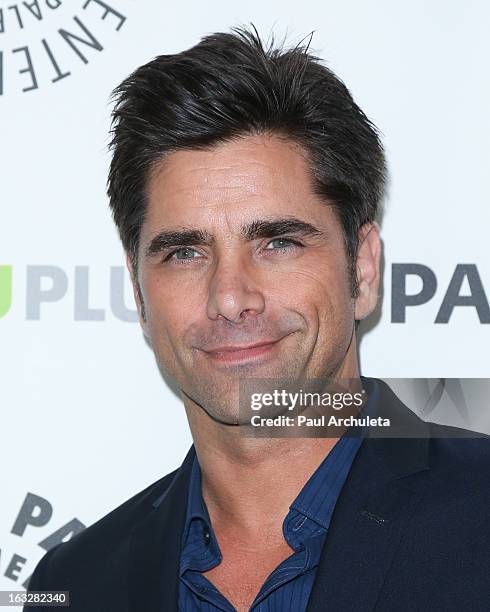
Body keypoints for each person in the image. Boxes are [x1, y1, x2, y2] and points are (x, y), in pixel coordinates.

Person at [26, 25, 489, 612]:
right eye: (185, 253)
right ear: (140, 294)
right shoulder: (75, 583)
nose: (230, 297)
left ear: (363, 270)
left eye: (278, 243)